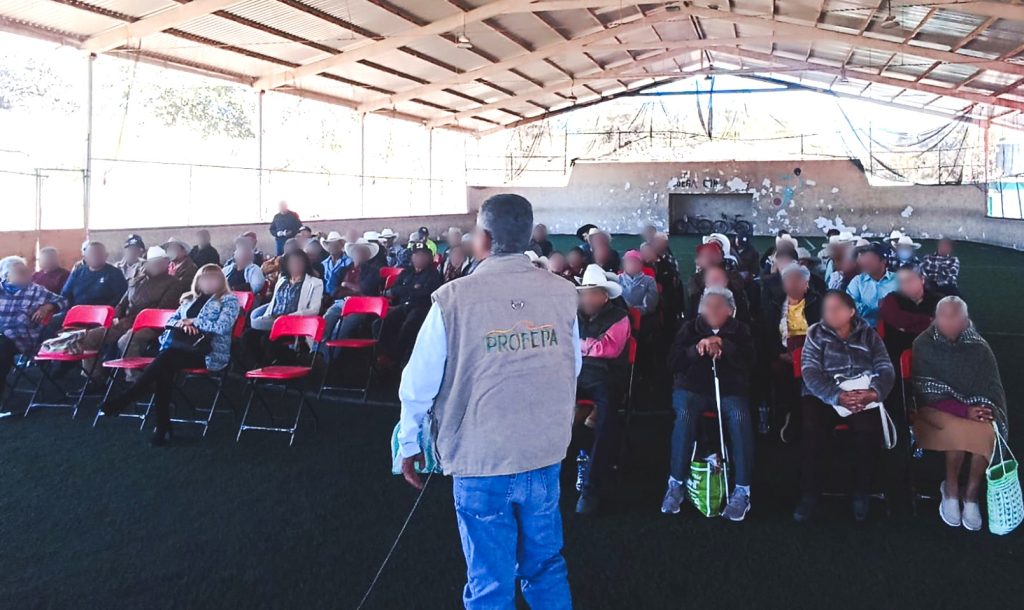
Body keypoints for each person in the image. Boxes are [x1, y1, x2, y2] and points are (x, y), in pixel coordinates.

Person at [397, 194, 577, 609]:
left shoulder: (453, 298)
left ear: (484, 239)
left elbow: (418, 384)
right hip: (543, 453)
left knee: (489, 579)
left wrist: (409, 444)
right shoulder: (564, 294)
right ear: (529, 235)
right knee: (547, 566)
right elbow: (572, 366)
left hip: (481, 460)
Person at [100, 265, 239, 445]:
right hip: (180, 348)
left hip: (208, 352)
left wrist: (195, 321)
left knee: (165, 360)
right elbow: (170, 321)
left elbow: (223, 327)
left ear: (221, 282)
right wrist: (183, 323)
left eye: (213, 279)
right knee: (163, 370)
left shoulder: (228, 300)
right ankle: (162, 427)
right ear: (198, 281)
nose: (209, 282)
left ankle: (130, 398)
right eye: (205, 279)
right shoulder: (189, 299)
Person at [795, 290, 895, 523]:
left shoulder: (869, 335)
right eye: (827, 308)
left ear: (851, 312)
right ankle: (809, 493)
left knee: (867, 431)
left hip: (861, 393)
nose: (830, 313)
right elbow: (809, 371)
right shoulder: (815, 334)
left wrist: (873, 393)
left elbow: (885, 367)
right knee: (811, 429)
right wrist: (836, 396)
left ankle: (862, 490)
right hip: (823, 394)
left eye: (837, 308)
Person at [912, 296, 1007, 531]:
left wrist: (985, 409)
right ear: (934, 318)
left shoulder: (979, 347)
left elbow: (992, 388)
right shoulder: (923, 344)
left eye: (955, 317)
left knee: (987, 430)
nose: (949, 322)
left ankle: (971, 493)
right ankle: (952, 488)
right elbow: (923, 390)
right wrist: (964, 410)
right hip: (933, 412)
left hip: (974, 408)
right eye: (944, 316)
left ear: (966, 321)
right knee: (959, 427)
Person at [662, 287, 755, 520]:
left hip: (729, 390)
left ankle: (743, 490)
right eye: (707, 306)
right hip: (691, 389)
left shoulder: (741, 330)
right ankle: (675, 483)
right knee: (684, 415)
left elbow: (752, 363)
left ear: (730, 311)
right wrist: (697, 349)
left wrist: (725, 345)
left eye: (717, 306)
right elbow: (672, 363)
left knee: (740, 416)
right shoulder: (689, 328)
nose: (711, 310)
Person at [575, 264, 631, 516]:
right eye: (583, 293)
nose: (585, 298)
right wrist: (586, 345)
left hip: (606, 376)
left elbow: (608, 349)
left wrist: (580, 345)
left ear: (604, 296)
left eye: (591, 293)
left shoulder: (619, 317)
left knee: (607, 414)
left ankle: (592, 486)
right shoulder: (574, 315)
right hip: (575, 373)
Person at [83, 246, 185, 380]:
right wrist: (116, 317)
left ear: (167, 263)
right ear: (147, 264)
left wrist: (130, 322)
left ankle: (134, 380)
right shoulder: (136, 281)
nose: (156, 265)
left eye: (160, 262)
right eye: (153, 262)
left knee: (126, 340)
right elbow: (122, 302)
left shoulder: (174, 284)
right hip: (126, 323)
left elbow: (162, 309)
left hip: (153, 326)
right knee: (90, 337)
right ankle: (93, 378)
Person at [0, 256, 66, 416]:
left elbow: (63, 301)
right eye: (20, 273)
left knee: (1, 351)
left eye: (26, 272)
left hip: (21, 337)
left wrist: (48, 307)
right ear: (6, 276)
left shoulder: (36, 290)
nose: (26, 275)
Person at [764, 263, 821, 442]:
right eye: (789, 280)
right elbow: (767, 334)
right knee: (778, 371)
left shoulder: (818, 302)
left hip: (812, 353)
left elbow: (825, 333)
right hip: (784, 352)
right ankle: (787, 416)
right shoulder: (775, 304)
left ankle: (805, 419)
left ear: (806, 284)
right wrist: (780, 354)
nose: (793, 285)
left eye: (798, 281)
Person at [243, 251, 324, 369]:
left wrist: (288, 316)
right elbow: (274, 303)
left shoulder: (315, 283)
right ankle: (257, 367)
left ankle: (275, 366)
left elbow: (314, 310)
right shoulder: (282, 280)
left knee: (267, 339)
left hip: (293, 322)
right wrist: (265, 316)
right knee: (248, 336)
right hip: (272, 320)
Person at [381, 243, 442, 364]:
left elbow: (427, 293)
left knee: (409, 325)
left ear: (428, 258)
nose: (419, 258)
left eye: (422, 256)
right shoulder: (406, 272)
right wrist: (413, 289)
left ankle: (397, 358)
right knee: (381, 322)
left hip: (421, 307)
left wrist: (407, 290)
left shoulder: (433, 274)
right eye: (416, 255)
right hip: (404, 305)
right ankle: (383, 355)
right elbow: (394, 290)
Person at [323, 237, 382, 340]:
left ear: (368, 256)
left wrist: (345, 284)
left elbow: (365, 289)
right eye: (357, 251)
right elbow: (332, 289)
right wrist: (353, 290)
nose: (359, 253)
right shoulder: (342, 270)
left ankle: (326, 355)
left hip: (361, 305)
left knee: (341, 328)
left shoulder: (374, 271)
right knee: (326, 321)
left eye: (363, 251)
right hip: (340, 302)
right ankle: (316, 352)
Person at [879, 265, 941, 361]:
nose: (906, 285)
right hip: (895, 353)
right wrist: (928, 320)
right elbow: (898, 320)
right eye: (901, 282)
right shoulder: (891, 298)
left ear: (922, 280)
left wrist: (906, 327)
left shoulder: (939, 300)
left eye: (910, 280)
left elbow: (945, 327)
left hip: (932, 353)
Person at [61, 242, 128, 309]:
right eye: (91, 254)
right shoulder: (77, 272)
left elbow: (121, 298)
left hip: (102, 313)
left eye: (98, 254)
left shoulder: (115, 273)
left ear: (106, 256)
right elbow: (65, 294)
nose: (95, 257)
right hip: (77, 311)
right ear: (85, 257)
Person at [846, 242, 897, 327]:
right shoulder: (858, 281)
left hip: (893, 331)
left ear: (884, 261)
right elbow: (849, 305)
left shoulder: (898, 280)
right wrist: (876, 307)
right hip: (864, 331)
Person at [618, 250, 659, 317]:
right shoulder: (616, 280)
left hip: (644, 319)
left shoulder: (649, 281)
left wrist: (634, 312)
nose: (632, 264)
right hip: (621, 318)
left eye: (635, 261)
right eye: (629, 261)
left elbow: (650, 305)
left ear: (641, 264)